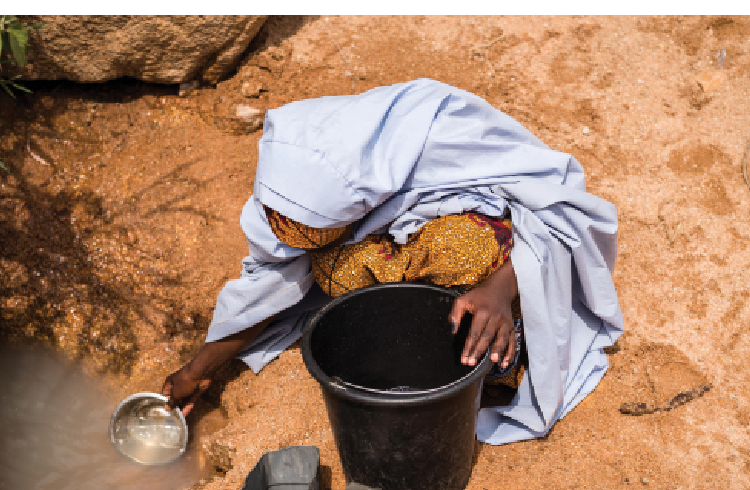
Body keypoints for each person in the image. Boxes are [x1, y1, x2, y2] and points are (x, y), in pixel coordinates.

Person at [162, 78, 623, 445]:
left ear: (351, 202)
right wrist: (194, 373)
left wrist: (501, 289)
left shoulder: (438, 134)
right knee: (335, 272)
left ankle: (503, 349)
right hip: (400, 244)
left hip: (487, 257)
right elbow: (264, 285)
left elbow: (562, 211)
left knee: (464, 247)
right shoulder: (287, 190)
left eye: (314, 234)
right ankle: (420, 333)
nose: (294, 244)